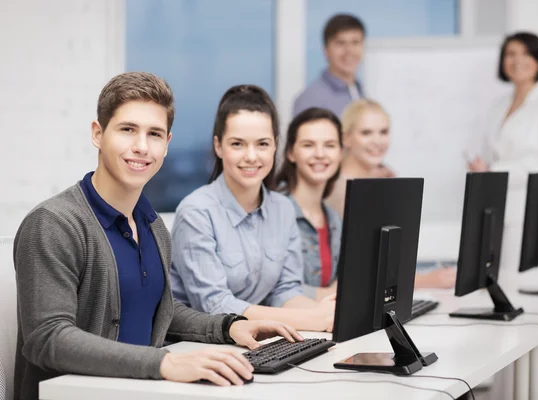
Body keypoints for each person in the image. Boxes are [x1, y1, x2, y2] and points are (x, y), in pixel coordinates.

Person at [12, 72, 303, 400]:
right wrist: (165, 363)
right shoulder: (54, 224)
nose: (141, 146)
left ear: (167, 144)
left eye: (155, 134)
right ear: (98, 133)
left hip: (139, 390)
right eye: (127, 130)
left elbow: (160, 309)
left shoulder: (153, 227)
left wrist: (227, 327)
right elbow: (49, 338)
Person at [170, 85, 336, 333]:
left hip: (256, 342)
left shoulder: (282, 209)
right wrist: (314, 320)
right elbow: (216, 305)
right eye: (237, 144)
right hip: (198, 345)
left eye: (262, 144)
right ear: (218, 146)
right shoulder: (196, 212)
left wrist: (327, 313)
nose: (251, 156)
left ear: (275, 146)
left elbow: (285, 291)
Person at [466, 32, 538, 280]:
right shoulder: (498, 105)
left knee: (524, 284)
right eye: (510, 54)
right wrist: (482, 166)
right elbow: (492, 154)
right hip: (495, 208)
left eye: (526, 54)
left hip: (529, 211)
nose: (517, 60)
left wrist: (498, 170)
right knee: (495, 280)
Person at [326, 99, 456, 289]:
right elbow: (360, 268)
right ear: (345, 138)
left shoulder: (378, 180)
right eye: (366, 133)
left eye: (384, 132)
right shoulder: (342, 190)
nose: (377, 141)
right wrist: (427, 280)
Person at [276, 108, 344, 301]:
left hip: (321, 327)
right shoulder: (273, 212)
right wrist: (330, 294)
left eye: (329, 145)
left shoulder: (334, 220)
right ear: (290, 153)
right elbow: (270, 290)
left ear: (340, 153)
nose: (320, 154)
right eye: (308, 145)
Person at [293, 14, 365, 117]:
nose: (349, 51)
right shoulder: (311, 100)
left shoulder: (360, 92)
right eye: (340, 43)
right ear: (326, 50)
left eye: (355, 42)